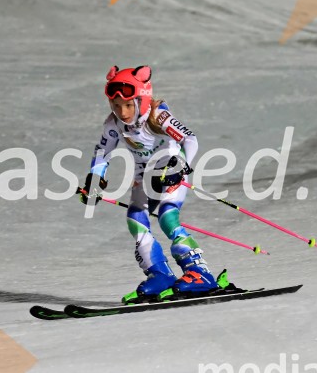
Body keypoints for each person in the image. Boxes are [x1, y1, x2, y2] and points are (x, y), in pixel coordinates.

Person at [81, 65, 220, 304]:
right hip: (143, 177)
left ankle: (201, 273)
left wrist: (180, 167)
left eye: (127, 105)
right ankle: (160, 274)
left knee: (168, 218)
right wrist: (95, 179)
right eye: (115, 106)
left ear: (141, 100)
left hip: (170, 173)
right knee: (136, 220)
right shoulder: (113, 125)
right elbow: (103, 151)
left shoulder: (157, 116)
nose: (122, 112)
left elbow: (190, 139)